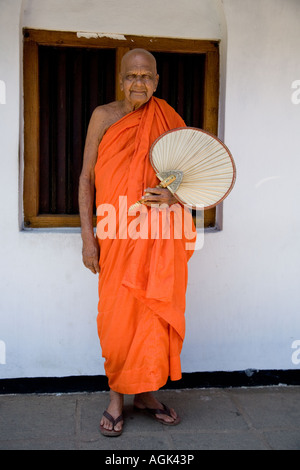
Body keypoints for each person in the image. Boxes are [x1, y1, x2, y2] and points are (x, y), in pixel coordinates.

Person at [78, 49, 195, 436]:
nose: (139, 83)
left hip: (156, 237)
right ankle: (117, 397)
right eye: (132, 76)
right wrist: (87, 238)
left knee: (151, 313)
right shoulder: (103, 116)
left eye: (146, 76)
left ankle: (145, 393)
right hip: (114, 237)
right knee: (116, 317)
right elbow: (86, 179)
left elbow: (193, 175)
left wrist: (175, 197)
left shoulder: (168, 118)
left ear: (157, 81)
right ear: (121, 79)